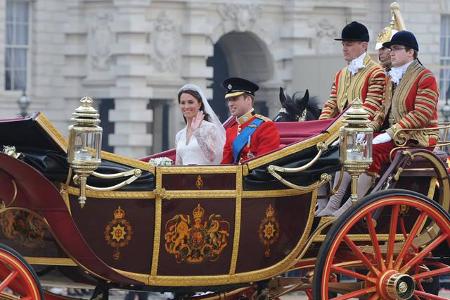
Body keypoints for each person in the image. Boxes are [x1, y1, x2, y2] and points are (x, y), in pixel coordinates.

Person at [332, 30, 439, 217]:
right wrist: (367, 129)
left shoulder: (425, 77)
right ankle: (335, 201)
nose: (391, 53)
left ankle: (351, 206)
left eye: (396, 49)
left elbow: (422, 114)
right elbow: (382, 112)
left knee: (371, 149)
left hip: (416, 137)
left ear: (410, 53)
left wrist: (390, 132)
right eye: (391, 49)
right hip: (395, 136)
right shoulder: (392, 78)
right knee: (351, 143)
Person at [317, 21, 386, 216]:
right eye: (343, 44)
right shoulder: (340, 74)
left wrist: (342, 130)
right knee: (314, 150)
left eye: (349, 44)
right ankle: (322, 204)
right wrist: (321, 129)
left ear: (364, 46)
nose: (344, 48)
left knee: (352, 145)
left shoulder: (376, 72)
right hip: (338, 130)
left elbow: (371, 106)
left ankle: (340, 204)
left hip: (363, 128)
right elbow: (331, 104)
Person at [221, 77, 280, 164]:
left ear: (248, 100)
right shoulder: (231, 130)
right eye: (229, 100)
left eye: (234, 99)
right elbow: (225, 165)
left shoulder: (265, 126)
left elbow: (264, 164)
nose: (230, 104)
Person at [175, 84, 226, 165]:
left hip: (204, 176)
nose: (186, 106)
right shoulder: (179, 135)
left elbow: (212, 157)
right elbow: (178, 164)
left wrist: (197, 132)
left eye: (190, 102)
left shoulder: (210, 128)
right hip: (185, 177)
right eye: (182, 103)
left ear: (199, 104)